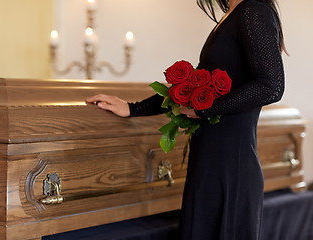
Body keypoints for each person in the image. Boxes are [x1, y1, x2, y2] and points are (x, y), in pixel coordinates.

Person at [86, 0, 285, 239]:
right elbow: (188, 90)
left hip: (231, 167)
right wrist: (131, 108)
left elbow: (271, 86)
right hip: (209, 161)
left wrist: (206, 110)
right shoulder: (232, 14)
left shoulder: (253, 10)